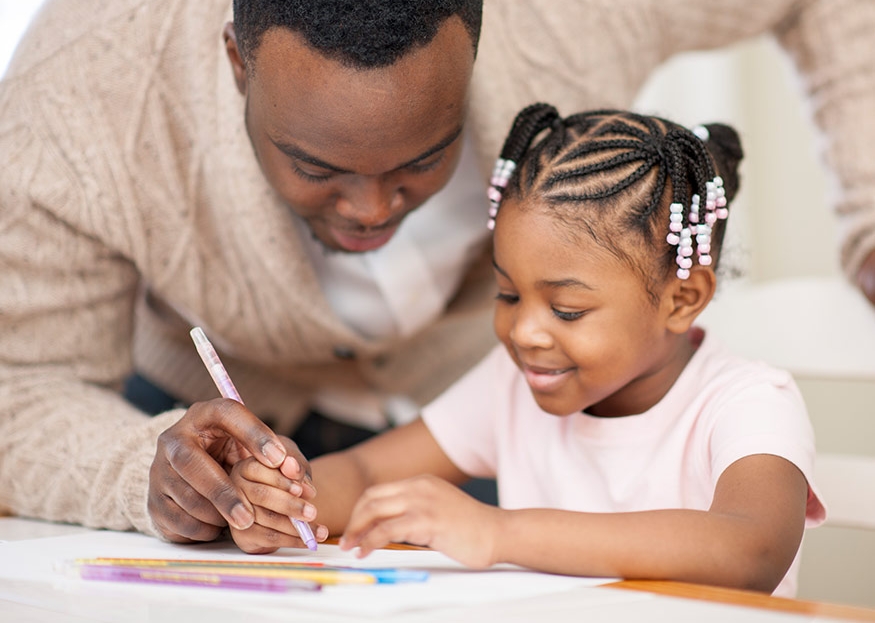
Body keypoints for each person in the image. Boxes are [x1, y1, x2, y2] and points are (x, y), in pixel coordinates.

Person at [0, 0, 867, 545]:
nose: (373, 209)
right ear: (237, 62)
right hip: (208, 418)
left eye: (424, 156)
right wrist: (213, 486)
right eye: (316, 165)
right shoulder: (84, 87)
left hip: (480, 486)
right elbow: (19, 395)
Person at [228, 105, 826, 597]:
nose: (525, 333)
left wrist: (499, 533)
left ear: (682, 298)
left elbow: (750, 550)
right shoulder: (515, 383)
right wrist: (285, 500)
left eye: (567, 310)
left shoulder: (748, 403)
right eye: (508, 293)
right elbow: (363, 472)